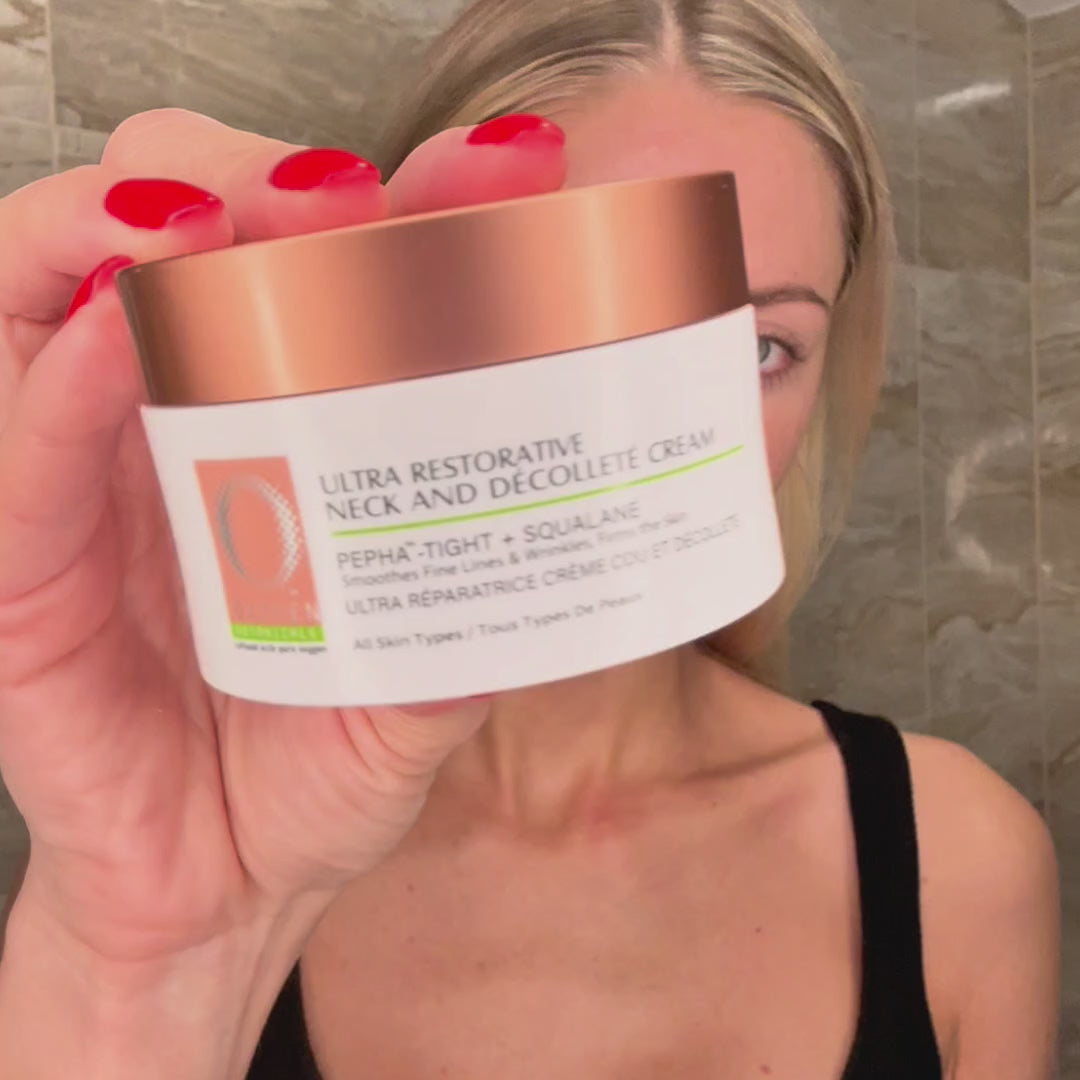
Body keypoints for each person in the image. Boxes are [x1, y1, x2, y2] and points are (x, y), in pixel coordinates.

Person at [0, 0, 1060, 1077]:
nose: (627, 437)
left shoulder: (963, 865)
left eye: (755, 348)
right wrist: (141, 963)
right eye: (558, 331)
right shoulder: (247, 828)